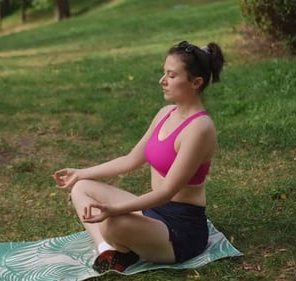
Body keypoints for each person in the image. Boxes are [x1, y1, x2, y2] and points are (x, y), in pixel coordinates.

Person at [53, 40, 225, 273]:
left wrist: (115, 210)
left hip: (180, 230)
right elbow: (131, 159)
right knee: (81, 188)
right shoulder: (166, 113)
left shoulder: (200, 128)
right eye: (163, 73)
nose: (162, 81)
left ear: (196, 82)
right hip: (152, 213)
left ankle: (122, 244)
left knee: (113, 222)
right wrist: (80, 173)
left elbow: (166, 193)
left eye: (172, 76)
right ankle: (107, 250)